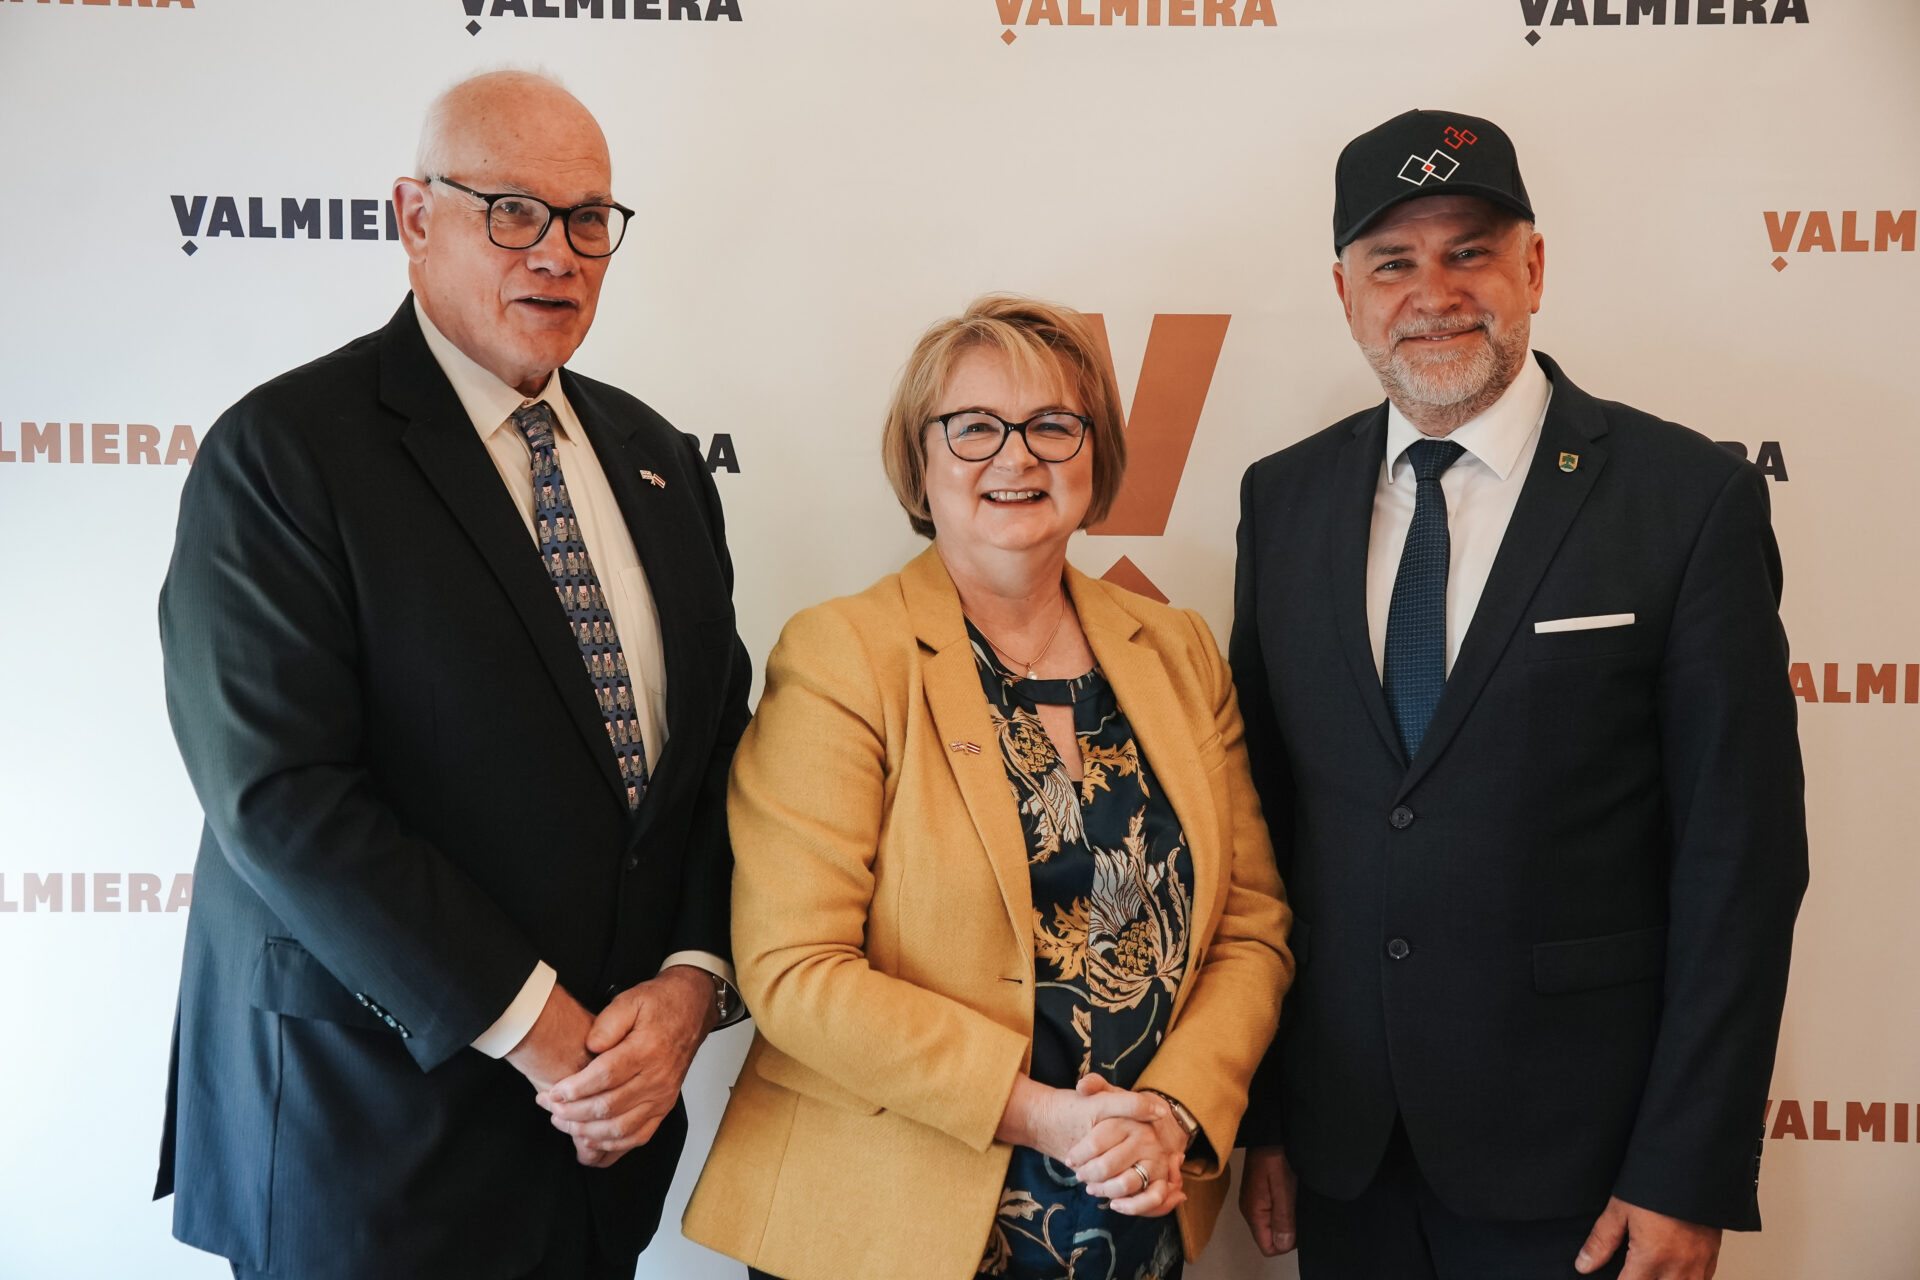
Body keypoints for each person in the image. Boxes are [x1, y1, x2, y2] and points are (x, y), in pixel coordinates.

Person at [154, 70, 751, 1280]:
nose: (559, 251)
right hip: (364, 1142)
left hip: (601, 1148)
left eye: (589, 218)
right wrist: (539, 1027)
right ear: (414, 217)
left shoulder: (657, 458)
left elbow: (716, 758)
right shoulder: (283, 452)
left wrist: (694, 983)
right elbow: (281, 796)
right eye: (512, 210)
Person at [1230, 109, 1808, 1280]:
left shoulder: (1685, 499)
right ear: (1344, 292)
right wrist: (1271, 1115)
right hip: (1350, 1158)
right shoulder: (1282, 500)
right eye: (1392, 261)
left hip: (1587, 1169)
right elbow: (1265, 832)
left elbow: (1740, 860)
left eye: (1470, 251)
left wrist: (1685, 1166)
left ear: (1533, 267)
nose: (1433, 293)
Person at [682, 296, 1292, 1280]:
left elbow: (1251, 924)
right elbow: (794, 970)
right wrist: (1049, 1117)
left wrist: (1173, 1110)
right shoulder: (845, 655)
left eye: (1052, 424)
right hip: (887, 1225)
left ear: (1096, 455)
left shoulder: (1177, 650)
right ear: (919, 460)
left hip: (1128, 1206)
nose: (1017, 456)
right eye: (973, 427)